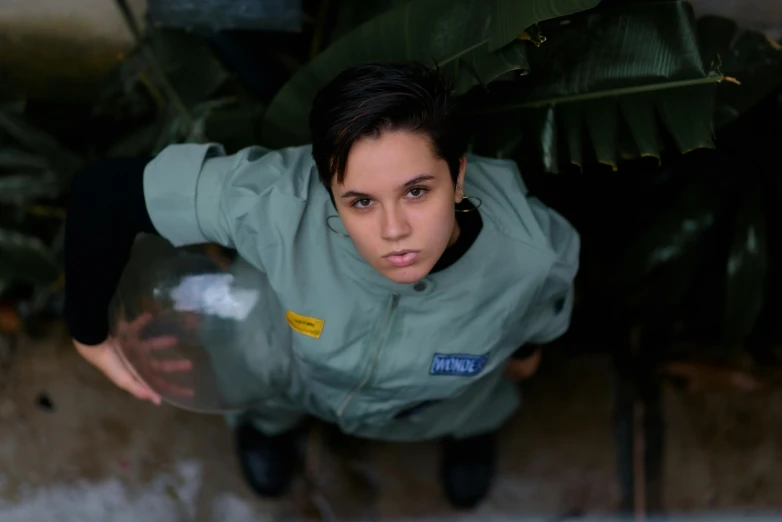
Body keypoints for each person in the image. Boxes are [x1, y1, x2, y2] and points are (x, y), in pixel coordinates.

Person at [64, 62, 580, 509]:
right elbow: (103, 193)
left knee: (474, 405)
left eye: (417, 191)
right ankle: (270, 433)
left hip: (438, 400)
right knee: (267, 386)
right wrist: (89, 336)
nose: (394, 230)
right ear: (327, 189)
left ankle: (468, 439)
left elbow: (543, 312)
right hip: (300, 371)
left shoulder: (535, 252)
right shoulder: (277, 202)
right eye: (360, 201)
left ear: (459, 175)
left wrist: (527, 350)